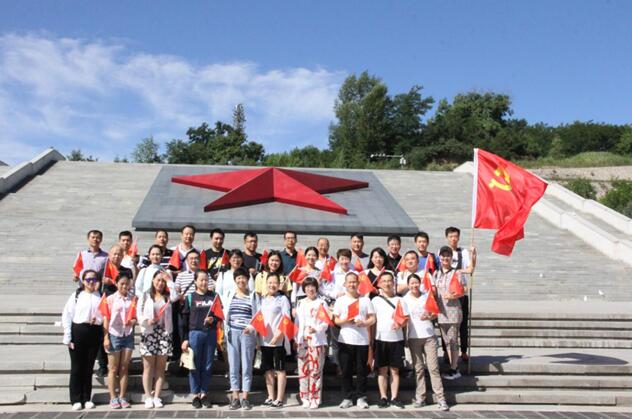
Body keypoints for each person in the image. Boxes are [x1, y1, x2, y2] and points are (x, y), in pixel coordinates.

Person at [403, 273, 449, 411]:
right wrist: (405, 338)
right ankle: (420, 397)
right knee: (418, 369)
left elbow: (435, 313)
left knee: (433, 368)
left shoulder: (426, 296)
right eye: (411, 283)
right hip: (413, 337)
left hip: (429, 336)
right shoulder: (404, 300)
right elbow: (403, 319)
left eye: (416, 282)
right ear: (408, 285)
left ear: (420, 283)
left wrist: (429, 316)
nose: (414, 285)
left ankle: (441, 398)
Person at [333, 272, 376, 409]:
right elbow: (336, 320)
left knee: (361, 370)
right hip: (345, 340)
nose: (352, 284)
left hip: (362, 340)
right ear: (345, 284)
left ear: (358, 283)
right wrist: (345, 320)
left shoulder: (365, 300)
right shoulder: (340, 300)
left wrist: (364, 323)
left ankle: (361, 397)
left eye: (354, 282)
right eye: (349, 282)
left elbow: (373, 318)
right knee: (346, 370)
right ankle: (347, 397)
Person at [62, 269, 103, 411]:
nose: (91, 282)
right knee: (77, 367)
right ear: (83, 281)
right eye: (88, 279)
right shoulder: (77, 295)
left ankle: (86, 398)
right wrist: (68, 336)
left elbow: (104, 315)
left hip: (94, 332)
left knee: (88, 367)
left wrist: (97, 319)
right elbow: (67, 315)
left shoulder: (100, 296)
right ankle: (76, 399)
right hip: (78, 331)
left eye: (94, 279)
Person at [180, 270, 221, 409]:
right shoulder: (190, 298)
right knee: (194, 365)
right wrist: (185, 339)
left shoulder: (214, 296)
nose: (204, 282)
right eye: (201, 280)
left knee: (207, 365)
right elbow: (184, 321)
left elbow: (219, 315)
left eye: (206, 280)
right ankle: (195, 394)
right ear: (195, 281)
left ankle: (204, 393)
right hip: (194, 334)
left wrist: (213, 319)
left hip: (210, 333)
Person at [139, 271, 176, 409]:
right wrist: (146, 320)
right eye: (158, 280)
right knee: (148, 367)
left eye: (163, 281)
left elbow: (176, 296)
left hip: (164, 333)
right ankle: (148, 396)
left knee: (161, 367)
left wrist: (169, 280)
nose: (160, 283)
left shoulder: (168, 297)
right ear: (153, 280)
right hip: (149, 333)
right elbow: (139, 313)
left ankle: (157, 396)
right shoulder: (145, 296)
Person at [224, 267, 260, 410]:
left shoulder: (253, 296)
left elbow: (258, 315)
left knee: (246, 366)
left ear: (248, 279)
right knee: (233, 366)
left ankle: (245, 397)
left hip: (247, 334)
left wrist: (251, 327)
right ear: (235, 280)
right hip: (232, 332)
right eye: (238, 278)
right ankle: (235, 397)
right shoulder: (229, 294)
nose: (241, 280)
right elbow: (225, 313)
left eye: (243, 277)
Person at [371, 271, 408, 408]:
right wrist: (371, 340)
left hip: (396, 339)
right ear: (379, 284)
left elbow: (406, 318)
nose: (387, 283)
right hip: (380, 339)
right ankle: (383, 397)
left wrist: (400, 325)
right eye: (384, 281)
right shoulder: (375, 300)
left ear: (394, 283)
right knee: (382, 370)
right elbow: (372, 321)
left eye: (389, 281)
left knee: (395, 370)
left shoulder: (400, 300)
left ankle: (394, 397)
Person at [103, 272, 136, 409]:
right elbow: (106, 318)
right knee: (113, 368)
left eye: (126, 284)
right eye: (121, 283)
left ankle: (122, 396)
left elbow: (135, 317)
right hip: (114, 334)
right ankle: (112, 397)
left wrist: (132, 321)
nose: (124, 286)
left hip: (127, 334)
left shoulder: (132, 299)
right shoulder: (110, 299)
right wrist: (105, 337)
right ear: (116, 284)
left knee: (124, 367)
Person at [444, 227, 476, 362]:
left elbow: (470, 269)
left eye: (455, 236)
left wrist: (473, 256)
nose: (453, 239)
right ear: (446, 237)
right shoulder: (443, 252)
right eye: (451, 236)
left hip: (461, 292)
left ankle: (463, 350)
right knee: (446, 323)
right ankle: (446, 351)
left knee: (462, 323)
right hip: (447, 293)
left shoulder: (463, 252)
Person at [295, 277, 329, 409]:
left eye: (312, 286)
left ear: (316, 288)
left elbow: (325, 322)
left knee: (315, 370)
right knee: (303, 370)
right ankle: (304, 397)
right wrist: (296, 338)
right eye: (307, 287)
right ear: (304, 289)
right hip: (303, 340)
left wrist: (317, 329)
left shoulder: (321, 303)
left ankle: (315, 397)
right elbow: (297, 323)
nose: (310, 289)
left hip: (316, 340)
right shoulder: (301, 303)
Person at [259, 273, 291, 408]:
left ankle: (279, 398)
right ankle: (271, 396)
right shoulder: (263, 299)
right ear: (266, 284)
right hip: (264, 340)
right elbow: (259, 319)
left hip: (278, 341)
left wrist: (279, 334)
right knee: (268, 369)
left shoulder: (282, 299)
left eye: (275, 282)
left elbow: (287, 318)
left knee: (280, 369)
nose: (272, 285)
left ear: (279, 284)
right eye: (270, 282)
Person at [434, 246, 466, 380]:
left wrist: (453, 296)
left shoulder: (457, 273)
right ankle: (452, 365)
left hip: (453, 311)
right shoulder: (436, 273)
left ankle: (455, 367)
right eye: (443, 255)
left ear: (451, 258)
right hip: (441, 312)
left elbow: (464, 290)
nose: (445, 258)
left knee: (453, 340)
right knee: (446, 341)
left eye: (448, 255)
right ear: (439, 257)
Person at [173, 250, 202, 361]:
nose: (194, 261)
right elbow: (175, 291)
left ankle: (196, 361)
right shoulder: (181, 275)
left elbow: (211, 289)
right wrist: (180, 297)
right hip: (184, 309)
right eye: (191, 258)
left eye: (196, 258)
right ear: (187, 261)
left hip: (200, 310)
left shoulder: (205, 274)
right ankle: (185, 363)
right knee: (183, 336)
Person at [136, 245, 170, 310]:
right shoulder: (144, 271)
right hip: (146, 304)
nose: (155, 256)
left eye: (157, 254)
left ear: (162, 255)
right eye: (153, 254)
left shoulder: (165, 272)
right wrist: (144, 300)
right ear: (149, 256)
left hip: (162, 304)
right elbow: (138, 288)